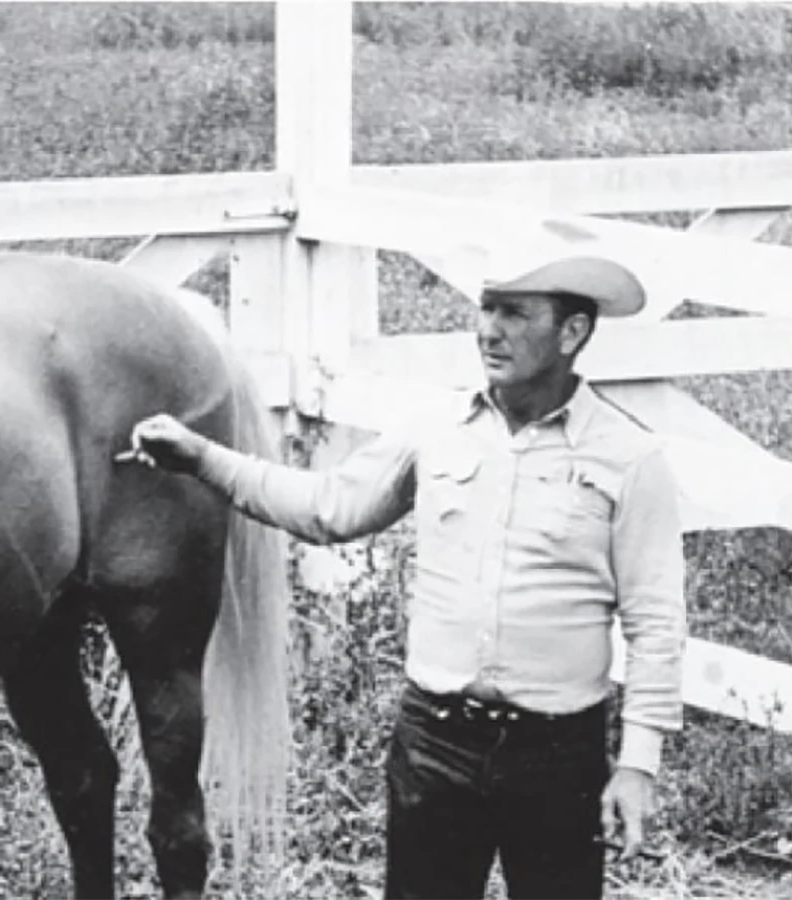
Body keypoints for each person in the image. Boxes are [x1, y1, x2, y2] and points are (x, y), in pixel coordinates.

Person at [122, 255, 686, 899]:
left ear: (573, 333)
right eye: (487, 308)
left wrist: (638, 764)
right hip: (436, 745)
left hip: (557, 757)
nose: (489, 331)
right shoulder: (437, 431)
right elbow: (329, 507)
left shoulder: (629, 458)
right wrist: (202, 458)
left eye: (515, 314)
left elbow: (656, 622)